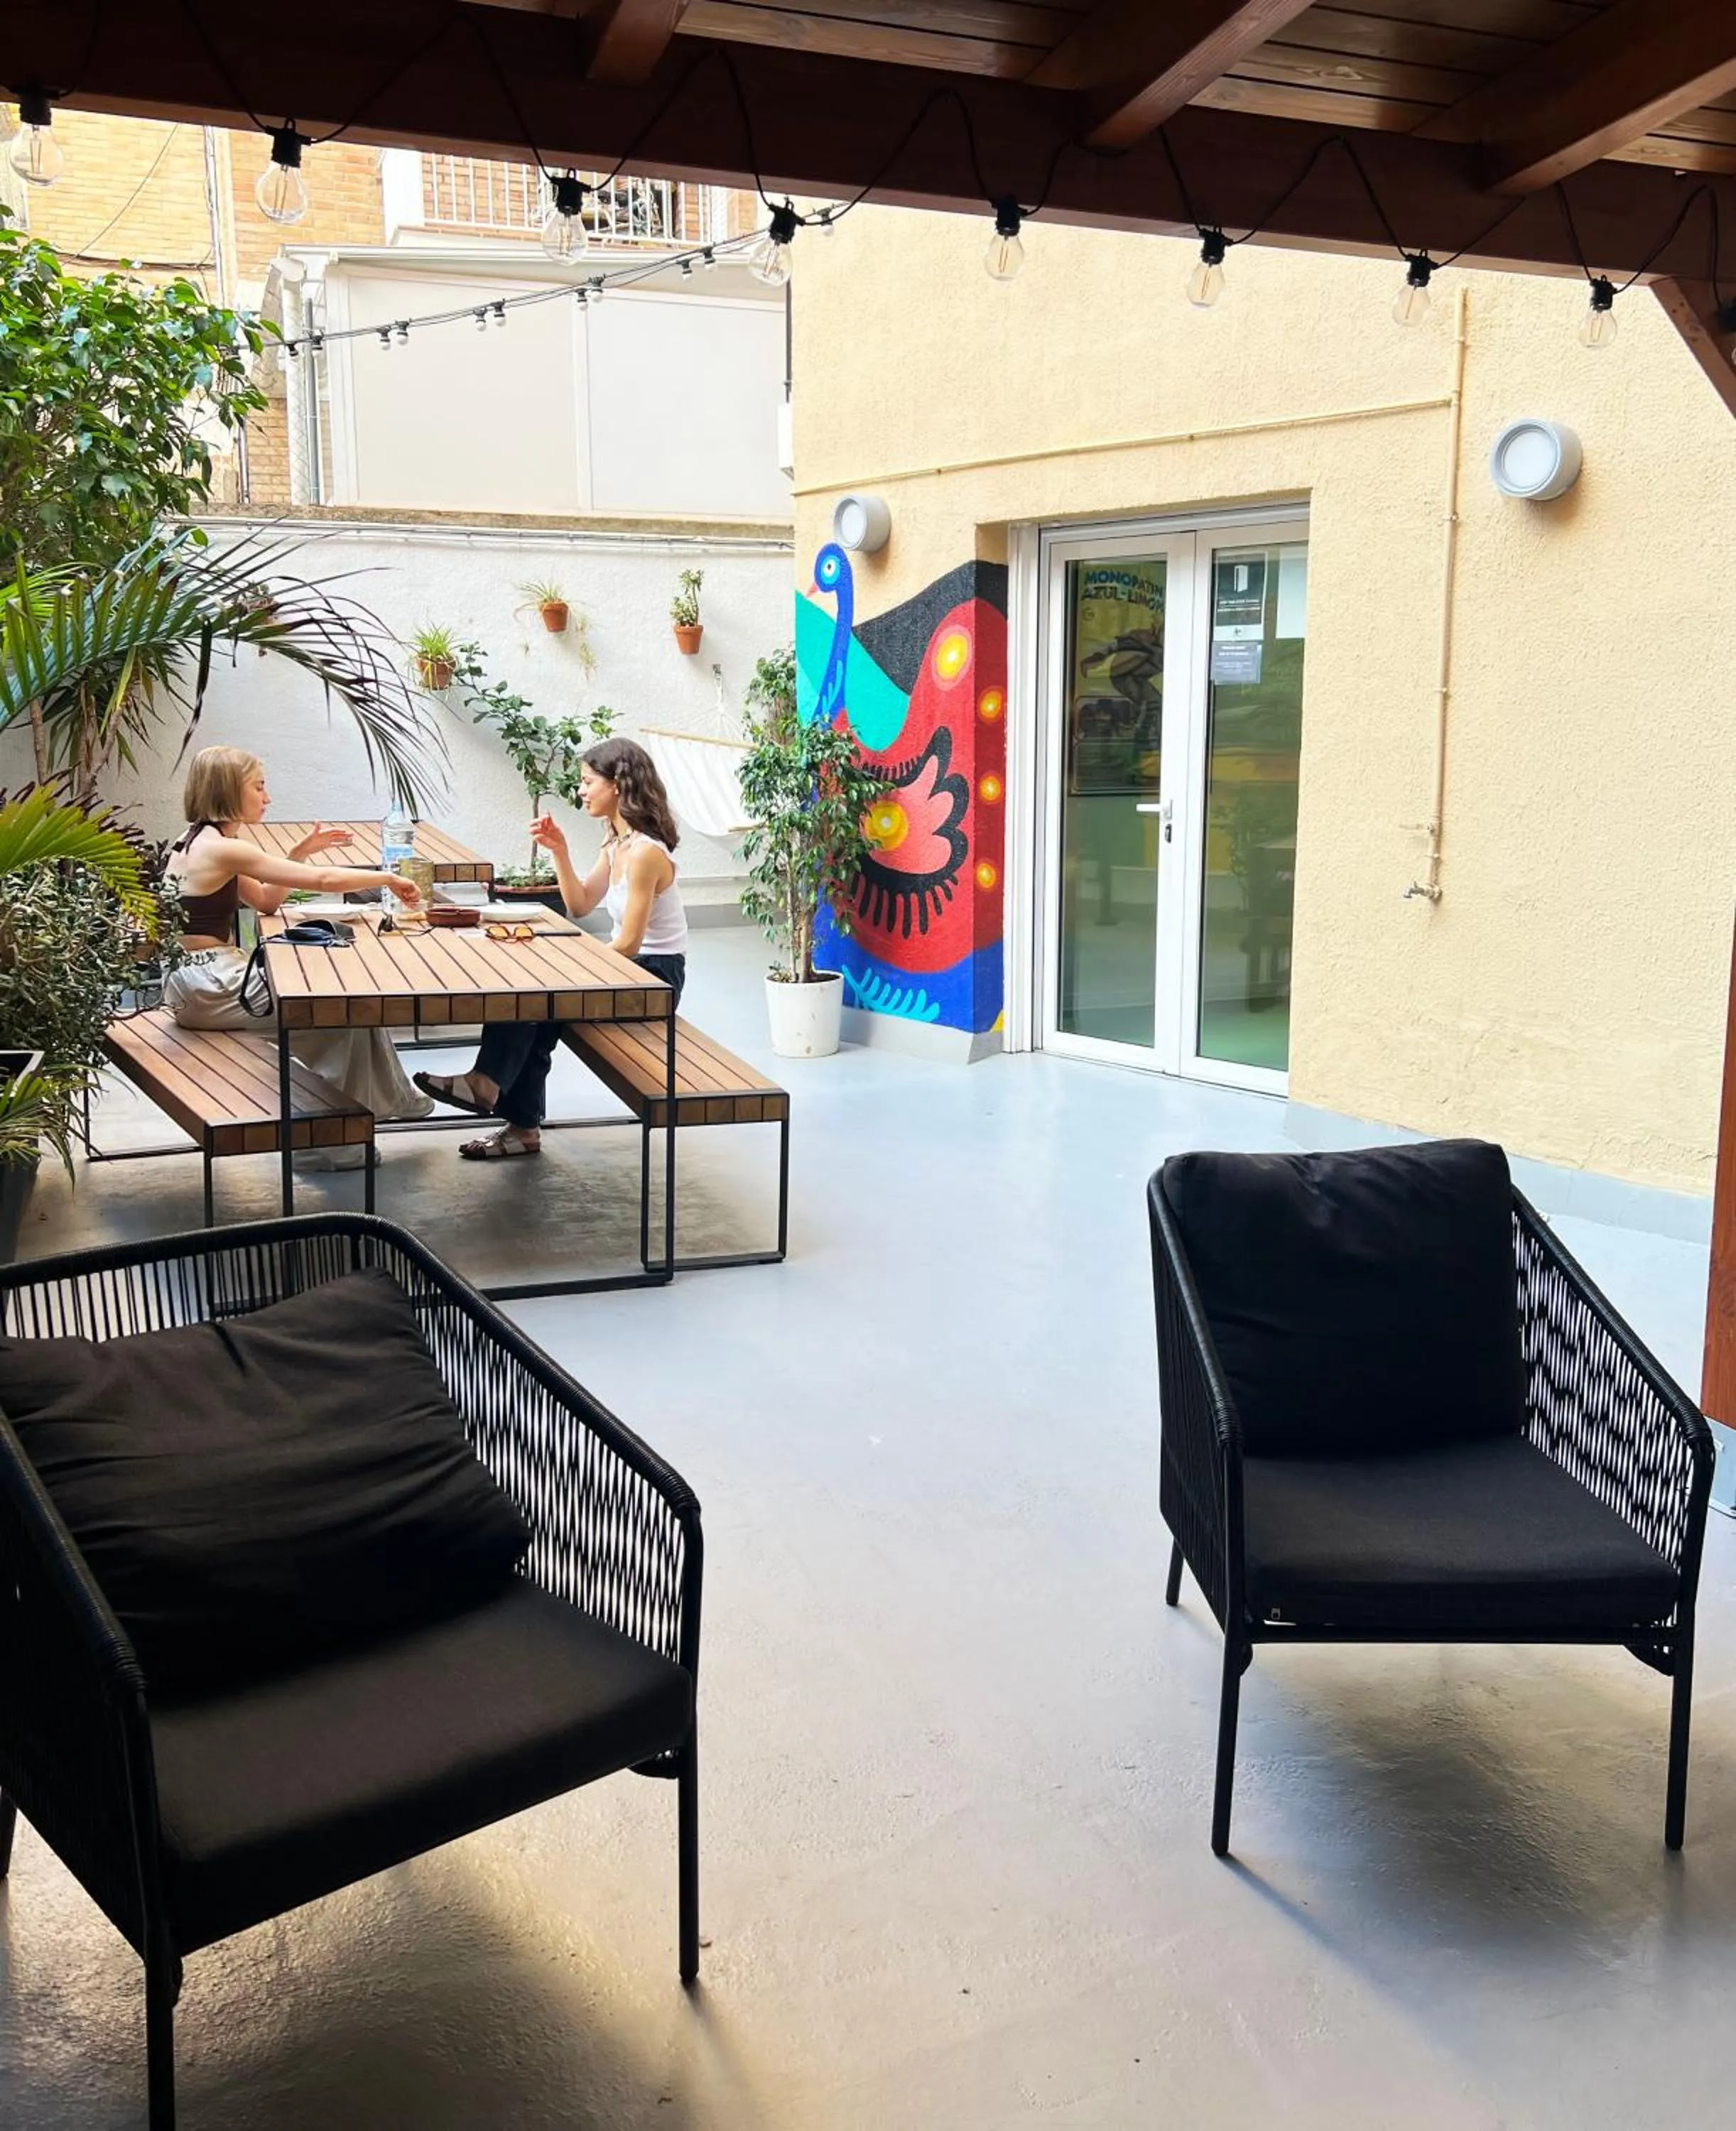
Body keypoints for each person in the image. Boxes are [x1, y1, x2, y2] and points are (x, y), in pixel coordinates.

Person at [414, 737, 688, 1160]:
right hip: (634, 965)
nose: (581, 790)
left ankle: (493, 1091)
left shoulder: (645, 853)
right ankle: (516, 1122)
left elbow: (631, 943)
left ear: (618, 785)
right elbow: (579, 905)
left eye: (587, 781)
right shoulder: (616, 844)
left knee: (538, 993)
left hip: (655, 976)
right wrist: (559, 851)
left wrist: (573, 966)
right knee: (535, 1002)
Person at [161, 747, 435, 1166]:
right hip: (209, 985)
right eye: (259, 786)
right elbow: (323, 880)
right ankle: (350, 1133)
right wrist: (388, 877)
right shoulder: (222, 849)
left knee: (346, 1012)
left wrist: (298, 854)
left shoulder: (203, 840)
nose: (267, 796)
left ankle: (360, 1122)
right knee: (341, 1007)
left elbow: (268, 902)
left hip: (199, 982)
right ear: (229, 791)